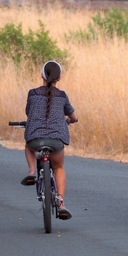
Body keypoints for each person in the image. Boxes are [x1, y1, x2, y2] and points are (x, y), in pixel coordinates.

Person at [22, 60, 78, 220]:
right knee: (59, 167)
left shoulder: (32, 93)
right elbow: (72, 116)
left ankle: (32, 171)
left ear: (42, 75)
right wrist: (71, 120)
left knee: (28, 146)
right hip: (56, 140)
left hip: (35, 138)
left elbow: (28, 112)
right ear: (59, 78)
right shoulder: (62, 95)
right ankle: (61, 203)